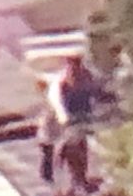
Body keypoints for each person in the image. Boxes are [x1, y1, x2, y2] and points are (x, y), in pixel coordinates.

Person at [38, 52, 107, 185]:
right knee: (66, 148)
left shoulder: (85, 78)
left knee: (77, 149)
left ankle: (77, 179)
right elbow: (56, 104)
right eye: (72, 66)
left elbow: (94, 93)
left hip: (79, 121)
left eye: (76, 66)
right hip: (68, 122)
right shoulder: (60, 84)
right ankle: (67, 177)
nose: (74, 71)